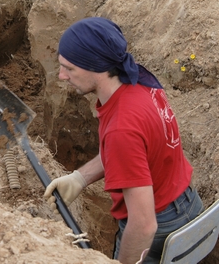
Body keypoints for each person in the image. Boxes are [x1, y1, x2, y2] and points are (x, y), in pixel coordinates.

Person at [43, 17, 204, 264]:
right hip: (189, 206)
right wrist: (80, 178)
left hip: (159, 229)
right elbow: (137, 153)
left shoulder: (121, 127)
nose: (62, 76)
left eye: (70, 68)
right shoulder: (140, 84)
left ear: (96, 66)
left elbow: (143, 225)